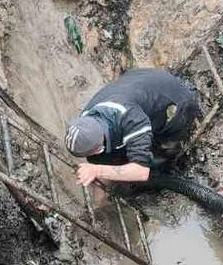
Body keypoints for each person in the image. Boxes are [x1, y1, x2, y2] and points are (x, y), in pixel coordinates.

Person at [64, 68, 200, 187]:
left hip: (174, 96)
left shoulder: (130, 119)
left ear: (98, 148)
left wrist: (96, 170)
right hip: (136, 80)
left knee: (166, 144)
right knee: (114, 156)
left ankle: (168, 164)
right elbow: (98, 161)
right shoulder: (86, 119)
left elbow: (141, 172)